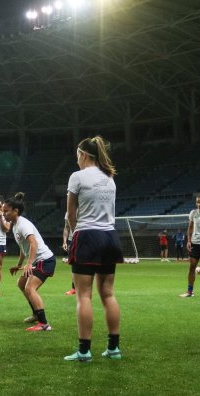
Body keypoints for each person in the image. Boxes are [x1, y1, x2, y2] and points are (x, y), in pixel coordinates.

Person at [64, 136, 124, 362]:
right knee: (108, 294)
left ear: (83, 155)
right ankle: (114, 349)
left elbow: (71, 214)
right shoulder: (110, 178)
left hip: (87, 236)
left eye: (77, 156)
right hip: (110, 237)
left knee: (84, 296)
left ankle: (84, 351)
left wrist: (73, 235)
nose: (76, 160)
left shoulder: (77, 177)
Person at [2, 192, 57, 333]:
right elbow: (23, 248)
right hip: (37, 261)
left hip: (45, 260)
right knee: (21, 284)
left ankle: (44, 324)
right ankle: (36, 314)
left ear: (15, 211)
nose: (4, 214)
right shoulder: (15, 225)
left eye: (6, 211)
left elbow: (33, 244)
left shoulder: (23, 224)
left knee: (29, 288)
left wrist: (29, 263)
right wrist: (19, 265)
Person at [62, 213, 76, 296]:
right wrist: (64, 242)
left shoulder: (84, 209)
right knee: (73, 265)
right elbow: (66, 227)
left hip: (83, 238)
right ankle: (74, 288)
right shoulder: (68, 213)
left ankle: (84, 288)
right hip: (72, 240)